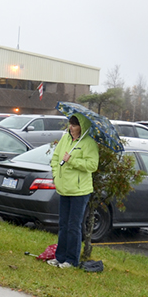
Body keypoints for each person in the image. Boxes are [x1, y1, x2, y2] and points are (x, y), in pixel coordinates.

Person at [50, 113, 99, 268]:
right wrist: (56, 175)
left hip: (79, 191)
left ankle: (71, 260)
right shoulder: (65, 139)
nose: (71, 128)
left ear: (82, 127)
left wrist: (72, 160)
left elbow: (92, 165)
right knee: (63, 224)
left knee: (74, 226)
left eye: (75, 125)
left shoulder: (89, 143)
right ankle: (60, 257)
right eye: (70, 124)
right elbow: (55, 158)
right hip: (64, 188)